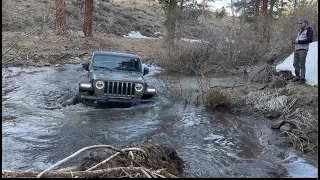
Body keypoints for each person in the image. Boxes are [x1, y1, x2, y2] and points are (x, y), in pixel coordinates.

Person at [292, 18, 313, 84]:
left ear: (306, 23)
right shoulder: (300, 31)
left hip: (303, 50)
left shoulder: (309, 30)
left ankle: (302, 79)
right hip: (297, 49)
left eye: (301, 23)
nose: (300, 25)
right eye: (299, 24)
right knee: (295, 64)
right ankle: (297, 76)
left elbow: (309, 40)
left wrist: (299, 41)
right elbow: (299, 39)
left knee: (302, 64)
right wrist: (295, 42)